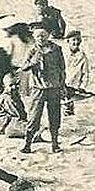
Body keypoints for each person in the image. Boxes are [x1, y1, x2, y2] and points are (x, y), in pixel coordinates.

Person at [19, 24, 67, 154]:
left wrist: (63, 86)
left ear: (48, 35)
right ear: (34, 37)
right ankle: (27, 144)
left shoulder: (56, 49)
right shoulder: (32, 50)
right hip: (38, 88)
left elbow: (62, 68)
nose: (41, 38)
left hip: (54, 87)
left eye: (43, 35)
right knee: (34, 117)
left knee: (54, 116)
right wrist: (33, 63)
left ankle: (55, 144)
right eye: (38, 36)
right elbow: (23, 67)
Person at [63, 30, 89, 116]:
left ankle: (69, 112)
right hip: (63, 82)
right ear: (68, 41)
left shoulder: (82, 56)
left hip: (74, 85)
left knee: (69, 101)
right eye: (73, 40)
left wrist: (82, 86)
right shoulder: (64, 54)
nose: (76, 42)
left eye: (78, 40)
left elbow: (85, 73)